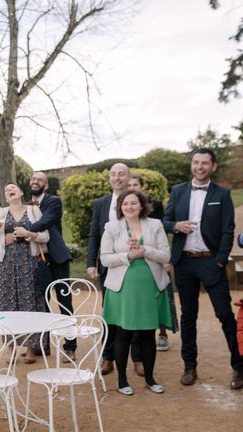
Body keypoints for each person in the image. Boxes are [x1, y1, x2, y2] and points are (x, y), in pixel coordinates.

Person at [162, 148, 243, 390]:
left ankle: (239, 367)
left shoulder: (223, 194)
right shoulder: (178, 191)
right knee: (188, 317)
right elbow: (165, 221)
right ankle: (190, 366)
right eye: (196, 162)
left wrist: (219, 261)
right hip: (184, 263)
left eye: (205, 163)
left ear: (213, 166)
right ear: (192, 164)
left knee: (224, 315)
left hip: (211, 262)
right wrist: (177, 225)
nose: (199, 167)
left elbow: (228, 229)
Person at [100, 190, 173, 395]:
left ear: (142, 205)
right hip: (122, 287)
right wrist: (129, 256)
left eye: (134, 203)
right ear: (120, 207)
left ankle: (150, 379)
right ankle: (122, 381)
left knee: (148, 333)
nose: (130, 207)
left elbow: (166, 255)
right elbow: (105, 258)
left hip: (149, 286)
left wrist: (145, 252)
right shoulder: (111, 227)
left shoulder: (156, 225)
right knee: (123, 333)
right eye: (125, 204)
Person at [0, 183, 49, 363]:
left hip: (29, 262)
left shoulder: (33, 211)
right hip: (7, 264)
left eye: (13, 188)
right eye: (6, 190)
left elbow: (45, 236)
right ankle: (11, 348)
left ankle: (31, 348)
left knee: (30, 303)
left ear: (21, 193)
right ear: (5, 196)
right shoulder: (1, 213)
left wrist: (28, 233)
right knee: (8, 305)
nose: (9, 191)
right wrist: (0, 235)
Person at [27, 172, 76, 361]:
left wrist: (25, 230)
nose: (35, 182)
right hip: (38, 260)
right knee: (42, 303)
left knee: (65, 302)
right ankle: (44, 345)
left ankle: (70, 346)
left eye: (39, 180)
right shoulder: (25, 205)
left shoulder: (53, 201)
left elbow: (44, 222)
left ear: (45, 186)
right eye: (32, 179)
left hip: (57, 257)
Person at [87, 162, 130, 375]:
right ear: (110, 178)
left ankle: (138, 358)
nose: (117, 177)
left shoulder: (137, 202)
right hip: (108, 266)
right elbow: (94, 234)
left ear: (128, 177)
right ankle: (108, 357)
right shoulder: (101, 203)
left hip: (134, 266)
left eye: (121, 174)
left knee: (135, 311)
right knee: (110, 314)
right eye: (113, 174)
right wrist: (90, 264)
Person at [128, 175, 178, 354]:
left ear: (142, 186)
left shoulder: (154, 205)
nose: (132, 187)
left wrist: (164, 261)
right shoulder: (126, 207)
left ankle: (162, 333)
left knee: (160, 297)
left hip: (155, 255)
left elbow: (163, 232)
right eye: (129, 185)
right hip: (135, 262)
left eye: (135, 184)